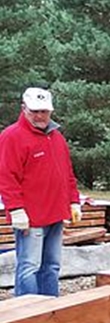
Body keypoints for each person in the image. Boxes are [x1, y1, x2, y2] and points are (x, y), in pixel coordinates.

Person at [0, 87, 82, 297]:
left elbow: (67, 173)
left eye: (44, 111)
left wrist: (73, 201)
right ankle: (27, 311)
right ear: (23, 108)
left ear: (51, 111)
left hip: (56, 214)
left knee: (52, 266)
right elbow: (6, 176)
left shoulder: (56, 137)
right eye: (34, 111)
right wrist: (16, 209)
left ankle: (50, 307)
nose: (39, 116)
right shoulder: (12, 136)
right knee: (29, 267)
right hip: (31, 218)